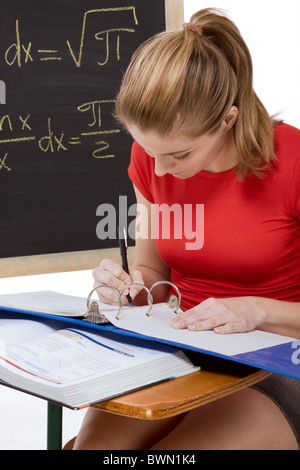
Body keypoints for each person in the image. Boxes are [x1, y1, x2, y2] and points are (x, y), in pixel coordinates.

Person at [73, 8, 300, 450]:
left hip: (282, 357)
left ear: (228, 120)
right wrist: (130, 289)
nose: (158, 168)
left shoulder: (292, 162)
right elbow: (154, 275)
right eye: (146, 149)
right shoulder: (152, 162)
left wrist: (258, 311)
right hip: (182, 350)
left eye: (178, 154)